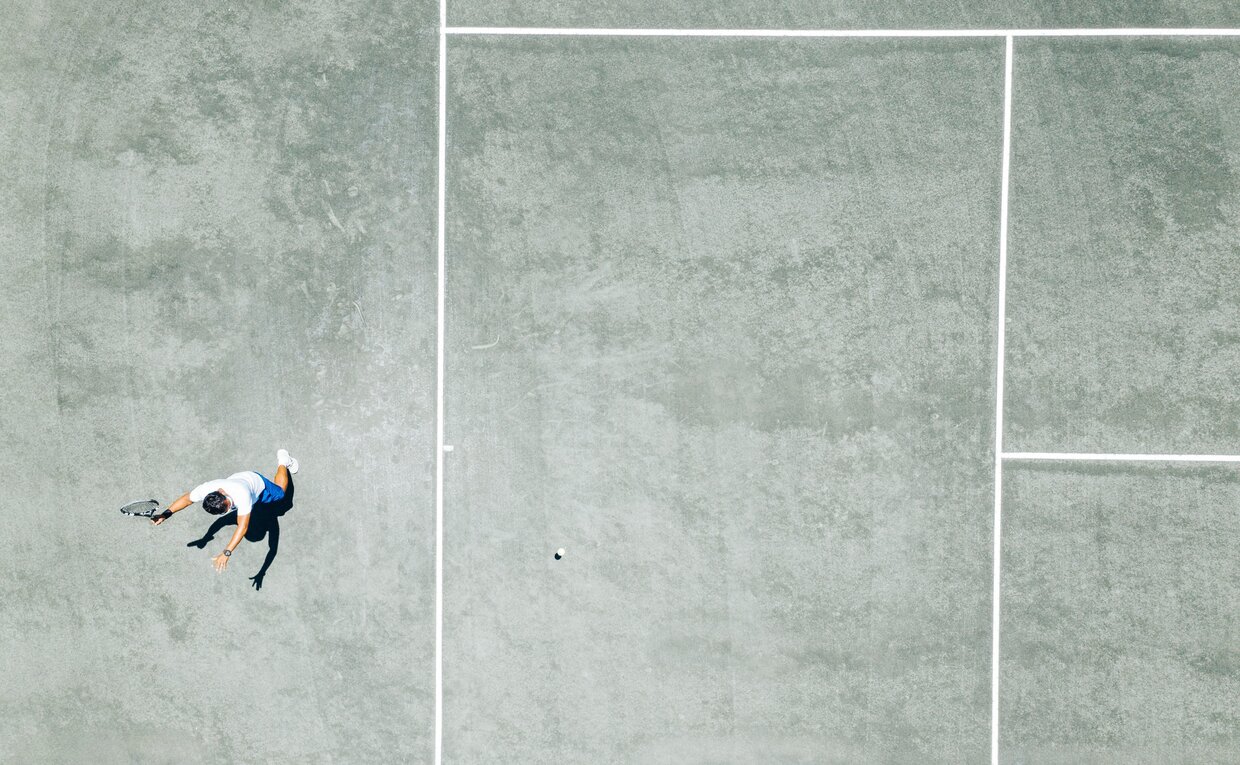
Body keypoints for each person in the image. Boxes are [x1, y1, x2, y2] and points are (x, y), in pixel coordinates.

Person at [153, 449, 300, 572]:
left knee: (280, 495)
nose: (230, 507)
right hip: (241, 481)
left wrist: (226, 553)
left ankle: (283, 459)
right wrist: (166, 514)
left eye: (229, 505)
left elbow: (242, 527)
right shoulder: (206, 489)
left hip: (257, 484)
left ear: (222, 491)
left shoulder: (241, 495)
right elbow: (187, 499)